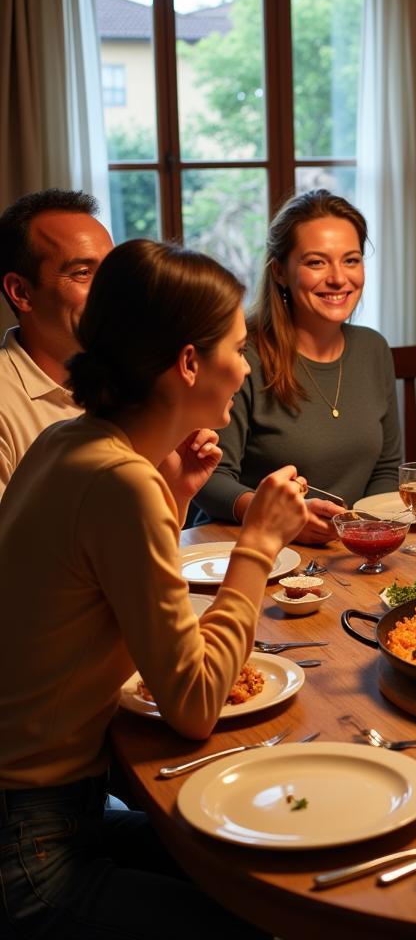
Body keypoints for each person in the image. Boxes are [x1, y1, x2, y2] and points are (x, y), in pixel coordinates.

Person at [0, 239, 307, 937]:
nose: (249, 362)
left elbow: (95, 591)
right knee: (261, 916)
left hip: (52, 811)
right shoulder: (118, 480)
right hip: (34, 848)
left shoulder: (69, 443)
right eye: (236, 345)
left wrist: (174, 491)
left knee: (240, 863)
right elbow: (194, 704)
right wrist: (257, 546)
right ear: (189, 363)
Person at [195, 190, 400, 542]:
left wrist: (359, 529)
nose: (338, 278)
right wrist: (278, 515)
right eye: (317, 262)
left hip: (343, 549)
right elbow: (208, 479)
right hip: (248, 546)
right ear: (280, 271)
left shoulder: (374, 348)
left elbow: (386, 469)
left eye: (351, 260)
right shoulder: (243, 355)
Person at [0, 188, 113, 498]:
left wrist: (177, 487)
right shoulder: (5, 402)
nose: (111, 291)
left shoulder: (126, 384)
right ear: (21, 292)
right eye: (83, 273)